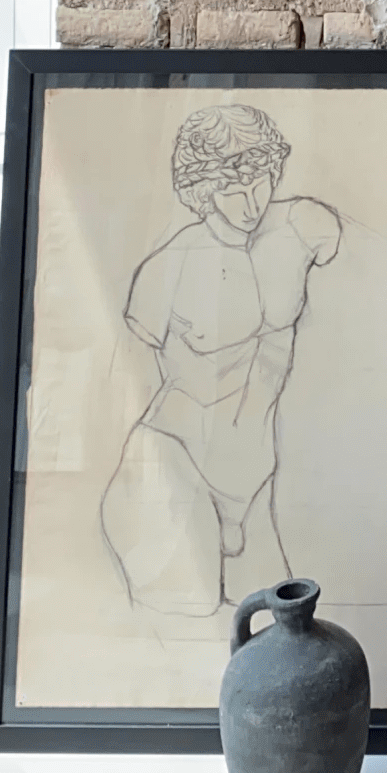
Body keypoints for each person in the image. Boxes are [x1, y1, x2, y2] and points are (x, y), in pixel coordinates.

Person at [100, 104, 343, 616]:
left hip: (255, 481)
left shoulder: (303, 227)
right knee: (188, 631)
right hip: (174, 464)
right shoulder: (169, 266)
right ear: (202, 188)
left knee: (283, 631)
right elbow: (120, 376)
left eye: (260, 180)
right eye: (232, 187)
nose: (251, 200)